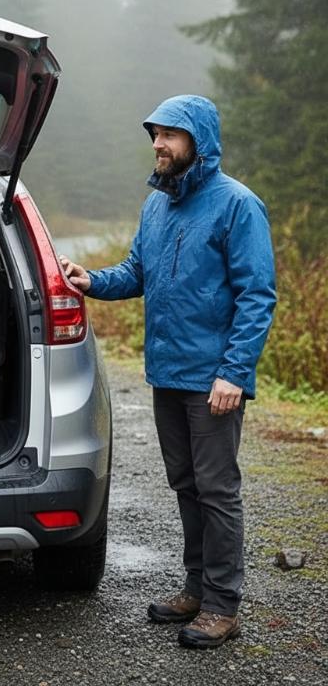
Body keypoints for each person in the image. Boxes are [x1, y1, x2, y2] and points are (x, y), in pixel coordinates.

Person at [61, 94, 276, 649]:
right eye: (155, 134)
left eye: (170, 134)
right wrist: (92, 280)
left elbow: (257, 296)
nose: (158, 143)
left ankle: (223, 605)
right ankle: (196, 589)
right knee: (186, 484)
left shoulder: (237, 204)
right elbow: (137, 271)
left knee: (217, 490)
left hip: (214, 379)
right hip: (168, 372)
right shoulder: (156, 205)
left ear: (199, 142)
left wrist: (234, 372)